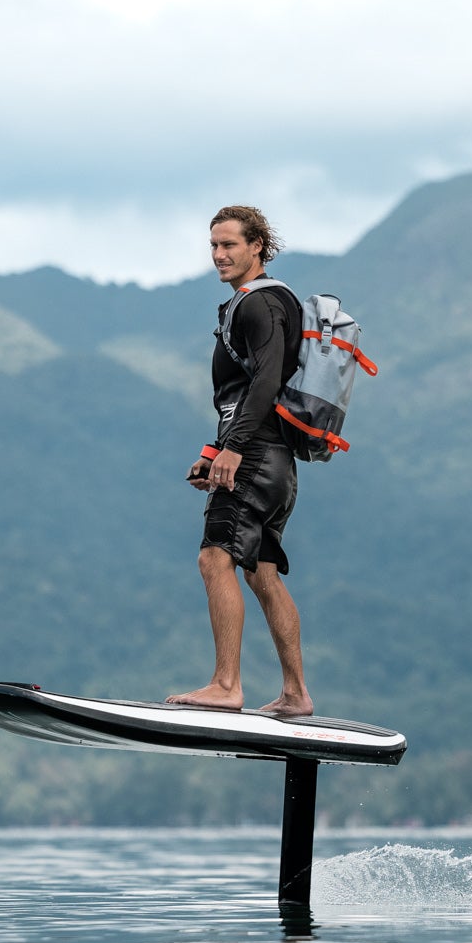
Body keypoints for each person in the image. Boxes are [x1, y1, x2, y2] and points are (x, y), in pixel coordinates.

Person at [166, 206, 314, 718]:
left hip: (254, 456)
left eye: (229, 244)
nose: (219, 255)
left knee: (214, 558)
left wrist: (233, 449)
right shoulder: (265, 304)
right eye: (213, 245)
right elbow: (242, 392)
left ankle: (226, 685)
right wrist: (214, 450)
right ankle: (295, 694)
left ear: (257, 247)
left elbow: (267, 379)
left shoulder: (258, 305)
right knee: (263, 574)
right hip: (273, 462)